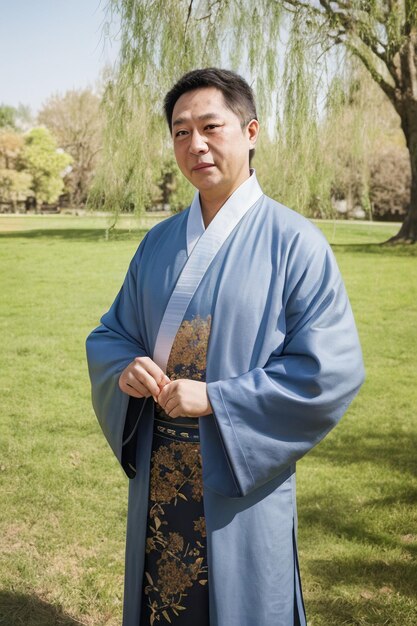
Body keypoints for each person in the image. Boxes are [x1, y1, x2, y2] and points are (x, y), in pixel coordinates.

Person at [86, 67, 365, 626]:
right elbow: (111, 332)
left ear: (252, 131)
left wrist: (217, 398)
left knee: (242, 605)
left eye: (211, 126)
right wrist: (125, 370)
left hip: (238, 468)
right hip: (160, 463)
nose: (196, 144)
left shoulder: (295, 243)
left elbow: (329, 370)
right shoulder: (159, 242)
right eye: (181, 132)